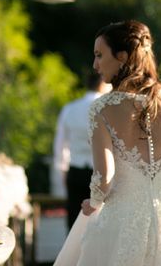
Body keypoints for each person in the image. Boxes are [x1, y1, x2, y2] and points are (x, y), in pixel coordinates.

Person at [54, 20, 161, 266]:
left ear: (121, 56)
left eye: (99, 55)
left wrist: (94, 202)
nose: (95, 65)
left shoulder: (102, 108)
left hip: (122, 220)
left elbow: (104, 177)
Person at [53, 71, 110, 230]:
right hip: (101, 170)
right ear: (102, 83)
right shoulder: (106, 107)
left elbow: (60, 143)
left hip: (75, 169)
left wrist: (61, 170)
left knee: (74, 221)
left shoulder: (70, 109)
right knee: (100, 221)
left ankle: (74, 254)